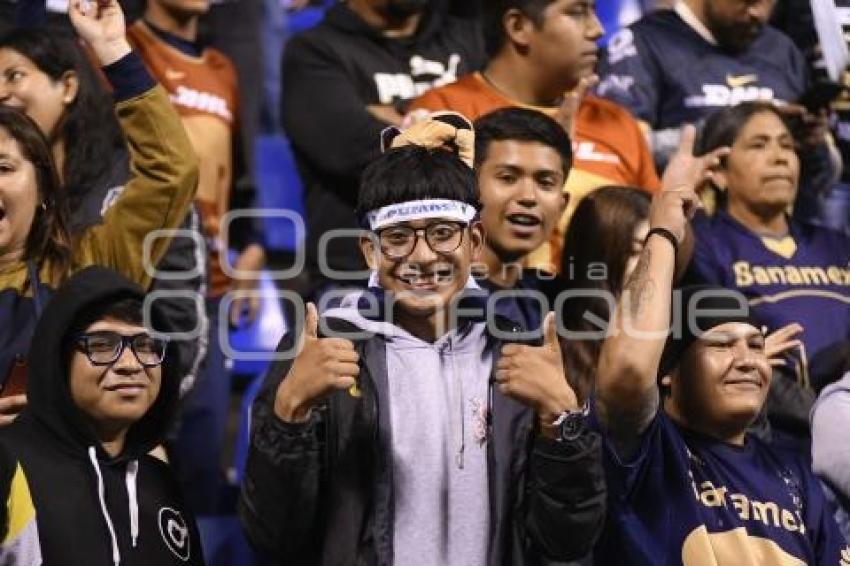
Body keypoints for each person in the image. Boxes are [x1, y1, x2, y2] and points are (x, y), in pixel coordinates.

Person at [238, 116, 605, 564]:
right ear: (370, 251)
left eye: (443, 233)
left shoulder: (521, 352)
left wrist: (562, 428)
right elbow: (271, 537)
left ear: (474, 241)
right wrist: (288, 415)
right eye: (397, 238)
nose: (423, 256)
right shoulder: (322, 349)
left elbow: (568, 542)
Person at [591, 125, 849, 564]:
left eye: (755, 345)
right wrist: (664, 229)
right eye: (722, 345)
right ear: (669, 371)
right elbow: (629, 371)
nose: (748, 359)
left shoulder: (793, 472)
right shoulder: (646, 450)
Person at [0, 2, 197, 423]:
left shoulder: (89, 267)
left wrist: (113, 51)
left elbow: (170, 172)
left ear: (42, 188)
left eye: (4, 168)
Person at [125, 0, 268, 514]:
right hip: (137, 278)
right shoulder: (123, 49)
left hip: (206, 287)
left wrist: (250, 251)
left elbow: (242, 177)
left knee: (200, 469)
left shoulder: (222, 68)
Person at [409, 0, 660, 273]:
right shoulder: (444, 114)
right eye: (577, 12)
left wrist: (677, 216)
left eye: (594, 12)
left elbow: (652, 252)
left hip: (594, 308)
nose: (598, 30)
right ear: (518, 27)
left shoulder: (618, 123)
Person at [0, 266, 204, 565]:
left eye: (146, 345)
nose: (130, 364)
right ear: (58, 358)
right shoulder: (8, 461)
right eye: (103, 345)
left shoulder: (161, 482)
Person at [281, 0, 485, 296]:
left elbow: (495, 141)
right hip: (357, 279)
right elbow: (356, 151)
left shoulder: (465, 36)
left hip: (461, 271)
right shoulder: (314, 51)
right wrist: (452, 130)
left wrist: (393, 120)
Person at [597, 0, 839, 223]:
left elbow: (826, 179)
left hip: (782, 238)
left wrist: (813, 145)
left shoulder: (782, 49)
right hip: (684, 229)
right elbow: (620, 151)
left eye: (769, 1)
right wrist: (724, 132)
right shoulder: (643, 43)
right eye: (749, 0)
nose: (759, 13)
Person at [687, 102, 850, 375]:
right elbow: (721, 362)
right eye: (759, 145)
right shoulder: (704, 247)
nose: (780, 157)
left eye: (787, 145)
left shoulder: (837, 245)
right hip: (769, 408)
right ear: (718, 172)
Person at [472, 107, 571, 333]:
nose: (528, 197)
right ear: (467, 187)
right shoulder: (427, 300)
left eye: (545, 182)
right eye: (508, 178)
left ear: (561, 206)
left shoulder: (559, 303)